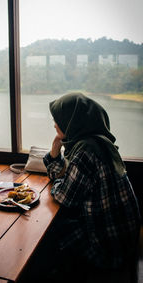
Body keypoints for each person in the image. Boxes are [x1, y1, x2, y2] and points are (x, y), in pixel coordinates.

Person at [43, 92, 141, 282]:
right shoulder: (99, 142)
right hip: (124, 236)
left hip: (109, 246)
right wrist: (55, 152)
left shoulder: (85, 152)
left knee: (49, 242)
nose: (55, 123)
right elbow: (67, 183)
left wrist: (58, 182)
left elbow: (65, 197)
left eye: (59, 118)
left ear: (72, 121)